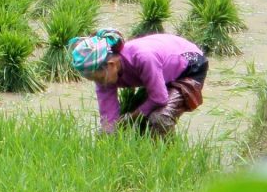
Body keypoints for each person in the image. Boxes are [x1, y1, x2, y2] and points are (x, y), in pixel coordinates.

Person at [70, 29, 208, 137]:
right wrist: (107, 134)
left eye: (99, 79)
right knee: (135, 122)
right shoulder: (105, 73)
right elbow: (108, 119)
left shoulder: (143, 58)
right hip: (161, 70)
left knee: (160, 117)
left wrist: (131, 117)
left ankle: (166, 159)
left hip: (190, 66)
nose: (99, 84)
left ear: (111, 65)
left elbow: (159, 98)